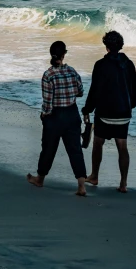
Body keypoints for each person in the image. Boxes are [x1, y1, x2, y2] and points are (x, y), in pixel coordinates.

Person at [82, 30, 136, 193]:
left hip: (105, 113)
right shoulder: (129, 64)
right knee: (122, 146)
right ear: (120, 45)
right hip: (123, 113)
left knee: (98, 143)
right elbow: (135, 91)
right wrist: (129, 106)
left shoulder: (100, 65)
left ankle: (94, 176)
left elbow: (94, 91)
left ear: (106, 46)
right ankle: (123, 184)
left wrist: (87, 110)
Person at [27, 41, 87, 196]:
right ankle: (81, 186)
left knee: (48, 149)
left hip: (55, 116)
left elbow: (47, 101)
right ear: (64, 54)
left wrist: (44, 114)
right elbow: (80, 92)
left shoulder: (48, 74)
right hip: (72, 114)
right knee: (75, 150)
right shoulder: (72, 71)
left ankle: (40, 179)